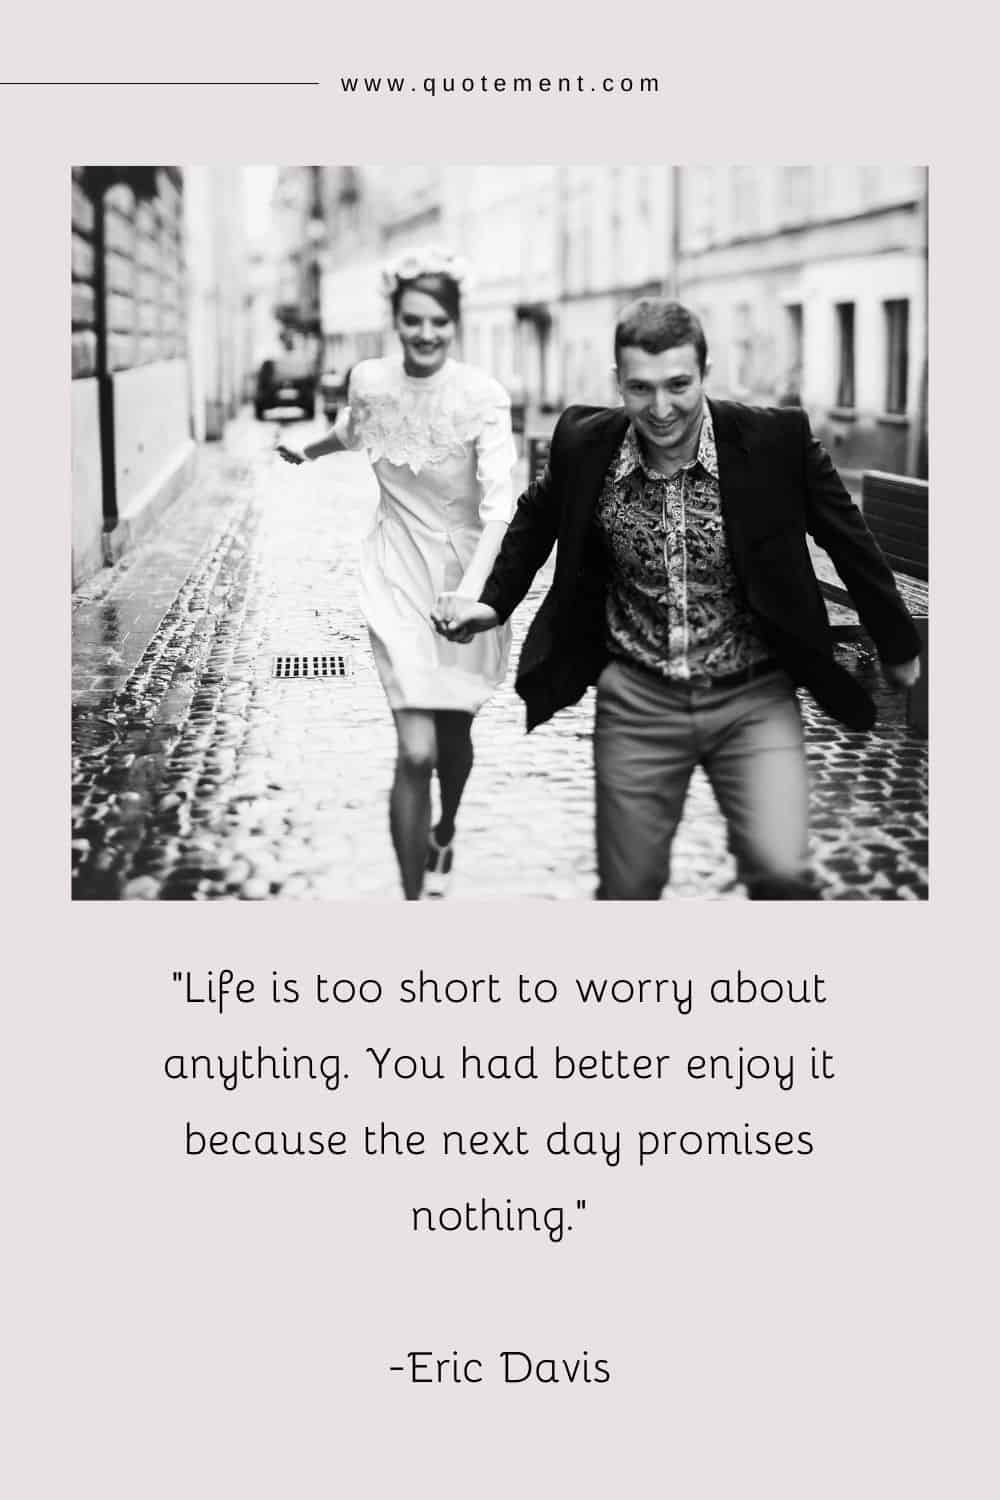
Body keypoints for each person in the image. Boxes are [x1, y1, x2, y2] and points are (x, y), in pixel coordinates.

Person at [432, 298, 922, 900]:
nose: (660, 409)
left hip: (754, 697)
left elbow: (849, 538)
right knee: (630, 887)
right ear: (618, 382)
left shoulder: (774, 441)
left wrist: (898, 643)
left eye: (678, 385)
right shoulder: (586, 444)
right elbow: (536, 517)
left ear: (704, 372)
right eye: (640, 388)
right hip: (639, 701)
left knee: (781, 874)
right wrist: (489, 604)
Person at [277, 249, 516, 899]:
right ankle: (412, 903)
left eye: (439, 321)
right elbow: (355, 429)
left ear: (455, 323)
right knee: (416, 749)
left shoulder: (481, 397)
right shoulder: (371, 381)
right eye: (413, 320)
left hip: (467, 576)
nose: (426, 334)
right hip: (394, 574)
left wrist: (471, 596)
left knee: (453, 735)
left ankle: (447, 820)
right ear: (396, 320)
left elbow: (501, 509)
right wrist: (306, 449)